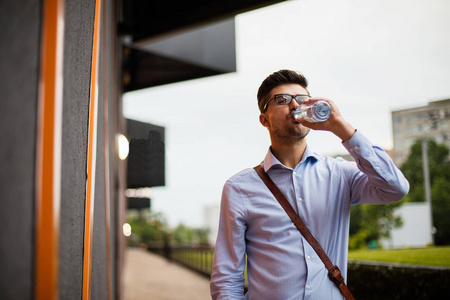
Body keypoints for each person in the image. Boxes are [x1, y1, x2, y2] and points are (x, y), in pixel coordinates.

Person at [210, 69, 409, 300]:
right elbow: (227, 278)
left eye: (302, 100)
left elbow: (395, 188)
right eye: (282, 100)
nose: (295, 105)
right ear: (264, 119)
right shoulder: (239, 188)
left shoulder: (338, 174)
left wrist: (341, 127)